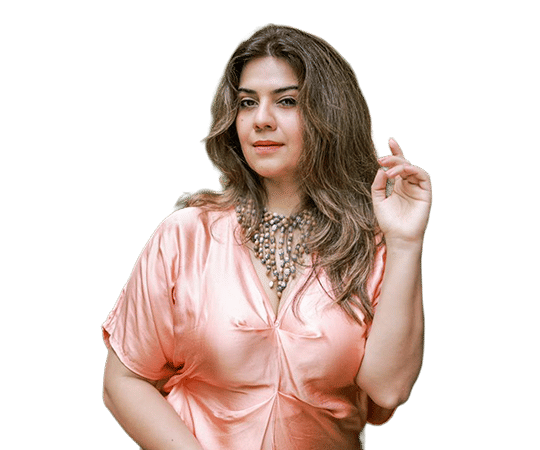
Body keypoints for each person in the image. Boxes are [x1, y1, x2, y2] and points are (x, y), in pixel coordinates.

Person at [101, 24, 432, 450]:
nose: (261, 120)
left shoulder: (370, 244)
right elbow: (123, 381)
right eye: (247, 102)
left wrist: (404, 242)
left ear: (330, 113)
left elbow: (388, 389)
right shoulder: (186, 235)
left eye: (287, 101)